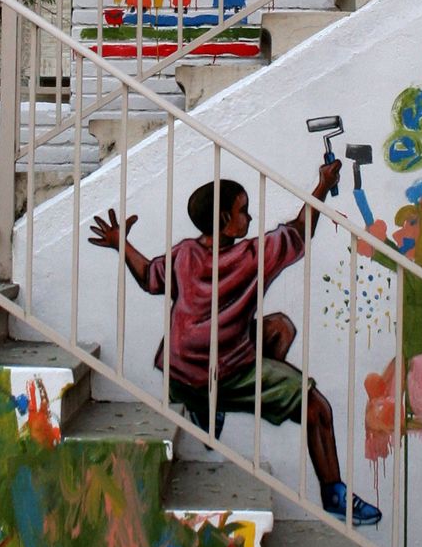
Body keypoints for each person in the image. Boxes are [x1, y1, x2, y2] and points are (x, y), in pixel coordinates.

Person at [87, 155, 381, 527]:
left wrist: (120, 243)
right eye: (243, 211)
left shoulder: (184, 253)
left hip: (179, 371)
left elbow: (148, 276)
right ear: (225, 218)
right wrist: (322, 185)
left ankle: (209, 407)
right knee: (317, 408)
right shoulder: (251, 256)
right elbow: (299, 230)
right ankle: (334, 494)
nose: (250, 218)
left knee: (279, 328)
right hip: (222, 371)